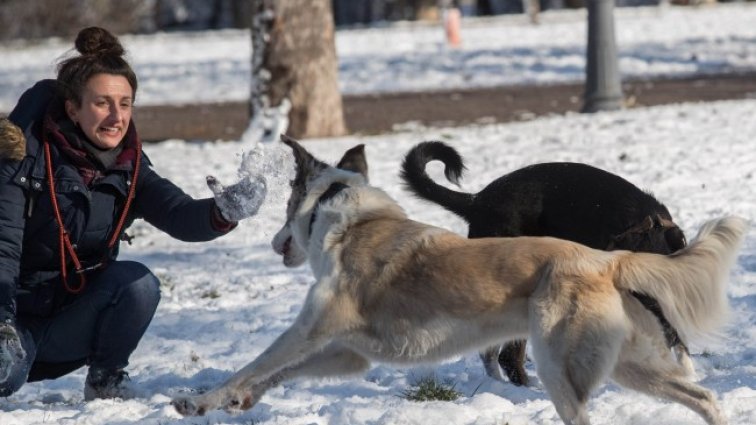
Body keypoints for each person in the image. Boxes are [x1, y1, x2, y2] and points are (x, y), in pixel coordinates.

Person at [0, 27, 264, 399]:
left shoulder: (128, 166)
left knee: (138, 284)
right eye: (102, 103)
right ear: (72, 108)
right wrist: (3, 322)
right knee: (4, 378)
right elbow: (3, 249)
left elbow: (179, 213)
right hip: (12, 321)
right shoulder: (21, 159)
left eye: (125, 104)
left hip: (70, 321)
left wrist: (224, 211)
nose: (115, 117)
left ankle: (107, 378)